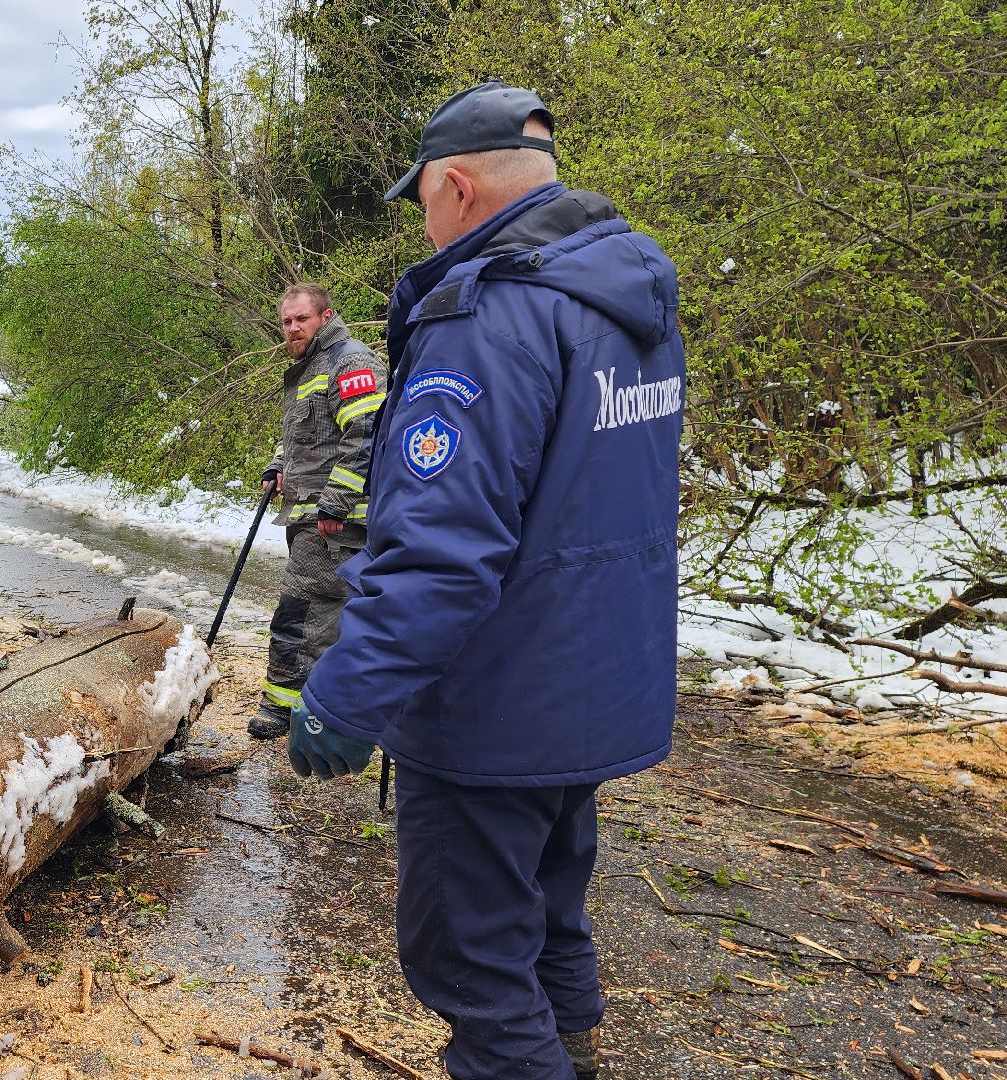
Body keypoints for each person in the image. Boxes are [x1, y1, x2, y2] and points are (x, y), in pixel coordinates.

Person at [292, 82, 685, 1080]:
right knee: (548, 911)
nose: (422, 222)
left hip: (497, 702)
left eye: (420, 198)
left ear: (456, 185)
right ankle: (576, 1054)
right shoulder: (626, 304)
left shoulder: (488, 319)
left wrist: (345, 694)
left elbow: (441, 547)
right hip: (592, 683)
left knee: (469, 957)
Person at [248, 283, 388, 740]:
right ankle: (323, 706)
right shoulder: (311, 368)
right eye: (286, 322)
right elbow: (304, 437)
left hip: (334, 519)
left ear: (325, 317)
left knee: (302, 608)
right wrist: (277, 465)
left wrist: (336, 502)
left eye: (301, 319)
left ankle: (283, 707)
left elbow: (365, 438)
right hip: (310, 513)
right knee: (328, 612)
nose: (292, 329)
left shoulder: (351, 363)